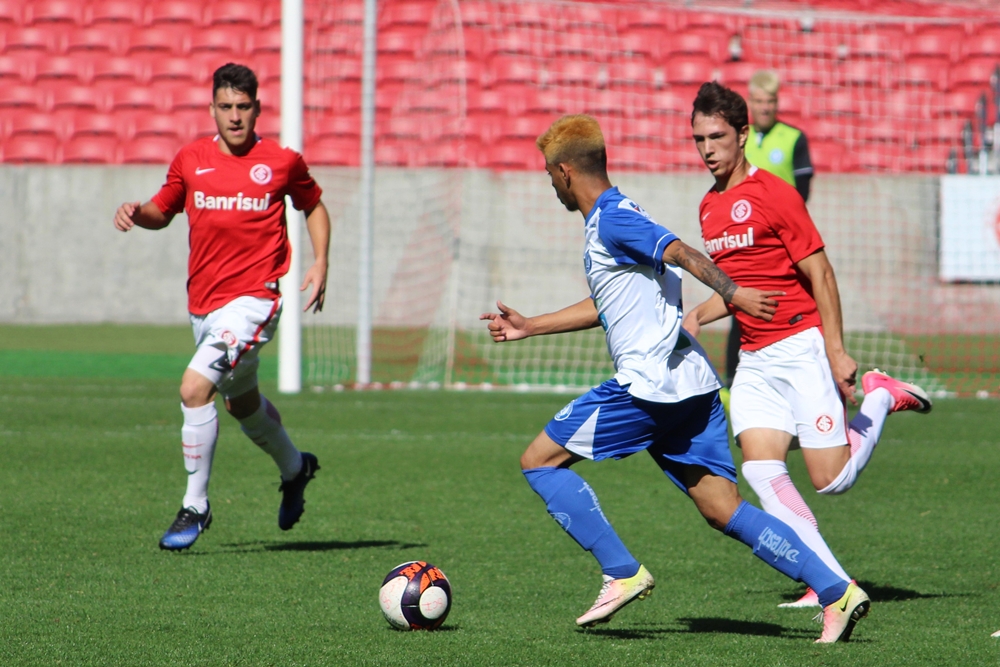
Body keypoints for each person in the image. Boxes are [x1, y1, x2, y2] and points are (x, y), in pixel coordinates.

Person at [480, 114, 870, 643]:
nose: (550, 184)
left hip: (650, 387)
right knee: (722, 508)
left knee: (539, 462)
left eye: (550, 174)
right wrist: (531, 326)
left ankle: (621, 572)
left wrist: (733, 293)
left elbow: (680, 251)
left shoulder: (614, 219)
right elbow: (608, 303)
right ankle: (836, 590)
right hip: (692, 386)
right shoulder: (616, 218)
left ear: (566, 172)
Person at [683, 82, 932, 608]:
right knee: (760, 469)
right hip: (754, 360)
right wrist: (698, 315)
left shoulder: (775, 193)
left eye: (717, 137)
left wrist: (836, 350)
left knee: (830, 480)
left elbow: (821, 272)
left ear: (743, 135)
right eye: (699, 139)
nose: (707, 149)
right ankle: (830, 583)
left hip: (799, 346)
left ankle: (880, 396)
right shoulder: (708, 207)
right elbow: (740, 289)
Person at [113, 63, 330, 551]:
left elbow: (313, 205)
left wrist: (321, 262)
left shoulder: (281, 162)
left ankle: (195, 506)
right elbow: (162, 210)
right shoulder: (191, 159)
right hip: (204, 306)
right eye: (226, 106)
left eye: (243, 107)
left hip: (254, 301)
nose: (235, 116)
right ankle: (296, 468)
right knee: (242, 405)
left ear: (257, 109)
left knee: (194, 389)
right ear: (212, 108)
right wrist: (135, 212)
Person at [722, 70, 816, 390]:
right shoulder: (740, 138)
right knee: (740, 306)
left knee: (790, 305)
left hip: (784, 241)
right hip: (746, 242)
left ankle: (796, 375)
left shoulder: (793, 138)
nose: (765, 107)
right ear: (750, 102)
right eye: (760, 101)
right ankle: (733, 382)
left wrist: (775, 221)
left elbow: (802, 193)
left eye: (771, 101)